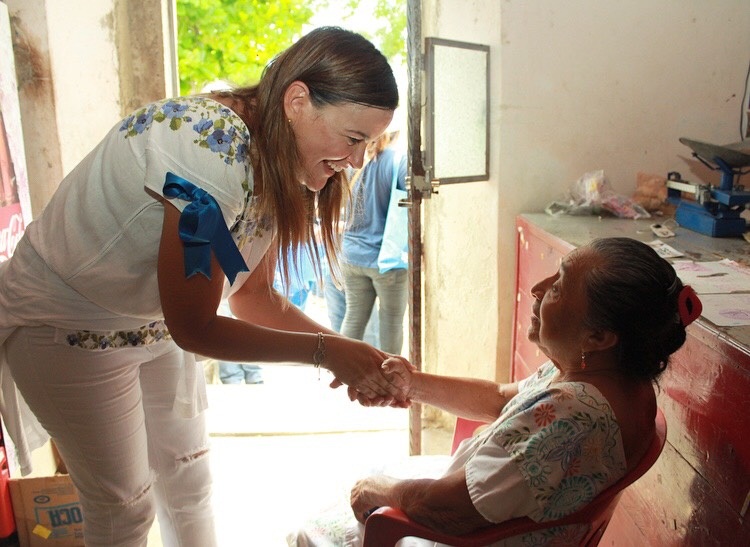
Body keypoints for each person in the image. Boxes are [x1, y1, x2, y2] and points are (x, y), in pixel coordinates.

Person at [0, 27, 410, 547]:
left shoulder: (276, 160)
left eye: (367, 145)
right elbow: (194, 326)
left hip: (150, 325)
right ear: (299, 101)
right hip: (69, 326)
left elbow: (253, 298)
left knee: (188, 481)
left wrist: (350, 351)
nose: (357, 161)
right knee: (124, 506)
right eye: (354, 140)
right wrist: (328, 353)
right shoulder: (207, 147)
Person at [288, 237, 703, 546]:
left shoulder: (575, 415)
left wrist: (383, 489)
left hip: (469, 535)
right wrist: (411, 384)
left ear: (598, 336)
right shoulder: (601, 377)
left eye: (558, 287)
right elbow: (501, 398)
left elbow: (451, 511)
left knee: (311, 531)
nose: (539, 290)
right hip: (488, 511)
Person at [340, 131, 408, 355]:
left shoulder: (350, 163)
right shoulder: (397, 160)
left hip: (351, 255)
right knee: (391, 323)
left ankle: (344, 373)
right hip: (387, 260)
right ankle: (391, 378)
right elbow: (414, 197)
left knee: (353, 319)